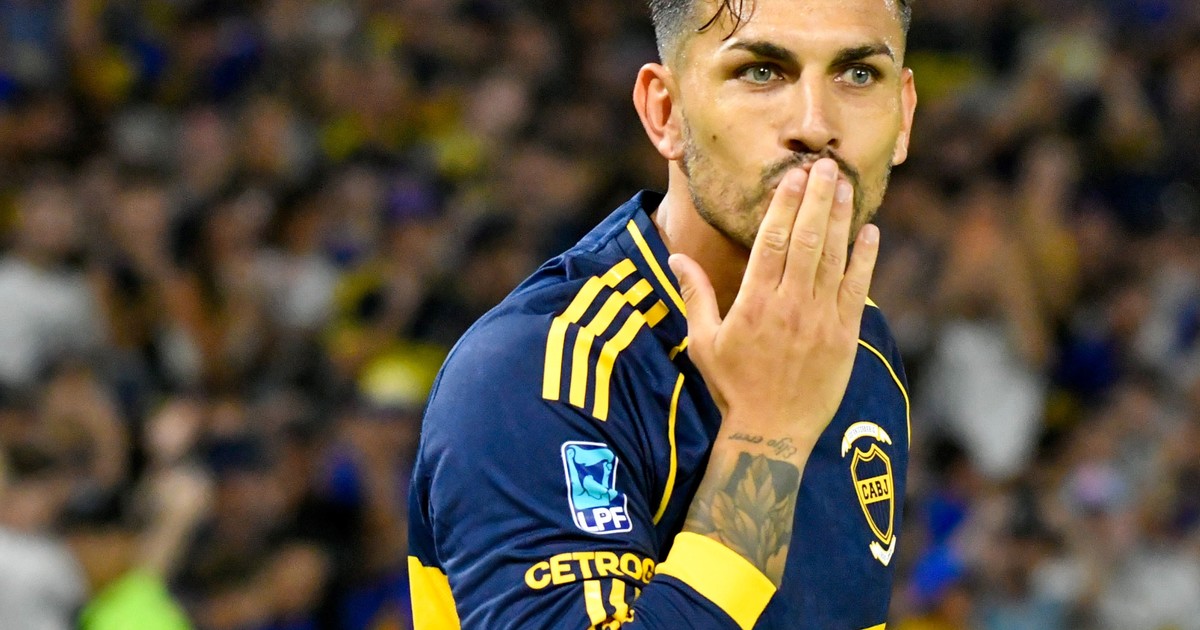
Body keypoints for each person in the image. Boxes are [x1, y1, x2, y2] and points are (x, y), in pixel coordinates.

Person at [408, 0, 917, 627]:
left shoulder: (860, 338)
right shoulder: (531, 369)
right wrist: (767, 434)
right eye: (760, 72)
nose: (815, 125)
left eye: (859, 74)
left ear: (904, 116)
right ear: (665, 111)